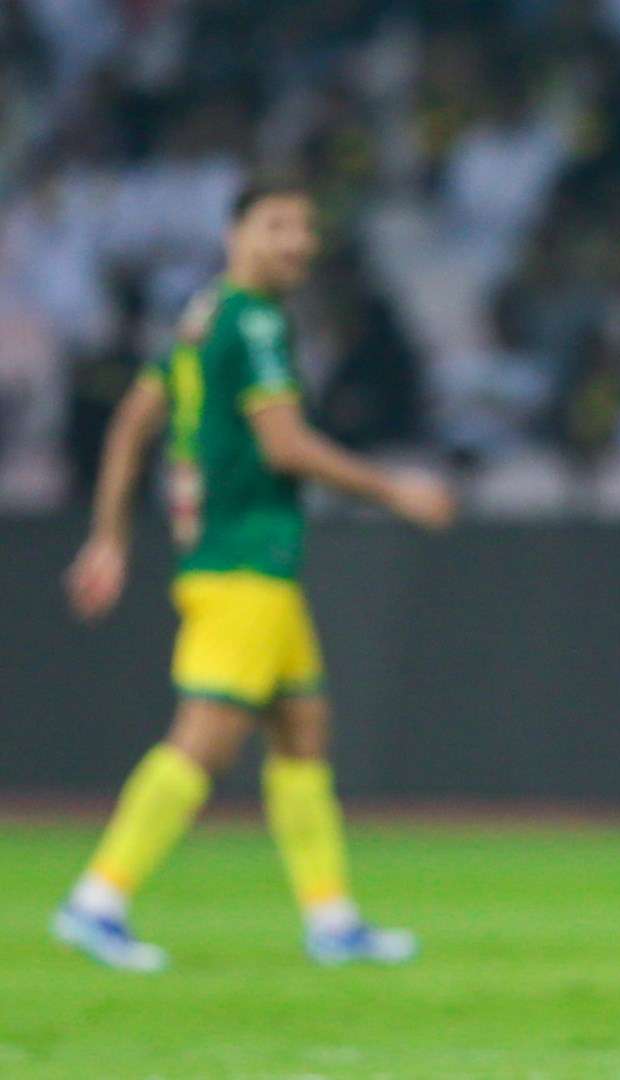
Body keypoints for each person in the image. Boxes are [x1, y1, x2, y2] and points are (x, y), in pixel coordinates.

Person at [55, 179, 457, 972]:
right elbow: (285, 446)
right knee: (203, 742)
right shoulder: (258, 321)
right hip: (245, 562)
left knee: (302, 730)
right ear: (236, 231)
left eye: (306, 227)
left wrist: (110, 536)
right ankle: (96, 899)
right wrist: (395, 490)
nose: (297, 242)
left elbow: (137, 416)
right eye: (278, 225)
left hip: (237, 560)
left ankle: (332, 920)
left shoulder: (204, 316)